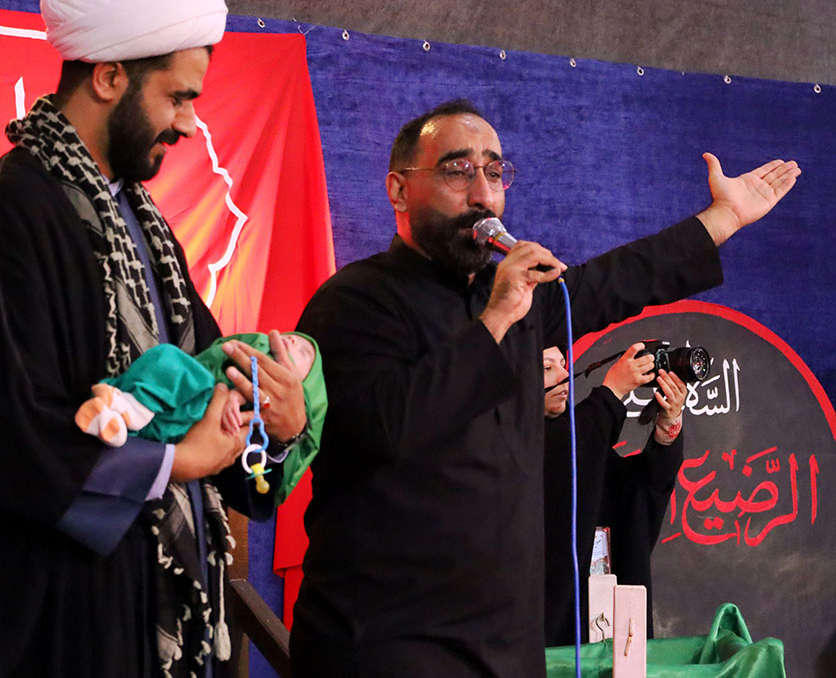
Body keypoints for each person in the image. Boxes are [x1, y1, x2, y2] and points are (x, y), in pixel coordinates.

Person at [289, 98, 799, 676]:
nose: (482, 193)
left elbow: (618, 279)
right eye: (458, 170)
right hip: (387, 643)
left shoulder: (514, 299)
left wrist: (723, 219)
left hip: (505, 642)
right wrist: (497, 319)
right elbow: (385, 429)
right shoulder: (354, 302)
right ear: (400, 190)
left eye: (494, 172)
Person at [0, 0, 308, 678]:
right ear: (108, 78)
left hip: (154, 598)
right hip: (68, 613)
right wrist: (172, 463)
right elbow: (9, 433)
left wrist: (270, 422)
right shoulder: (14, 207)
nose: (188, 123)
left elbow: (203, 378)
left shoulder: (141, 221)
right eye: (177, 97)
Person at [541, 344, 686, 647]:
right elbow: (557, 462)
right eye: (547, 368)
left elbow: (634, 493)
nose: (564, 375)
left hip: (601, 630)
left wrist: (667, 428)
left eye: (564, 364)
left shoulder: (582, 444)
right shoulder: (505, 443)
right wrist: (612, 392)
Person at [74, 332, 326, 503]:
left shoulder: (262, 417)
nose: (293, 341)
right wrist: (177, 461)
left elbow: (249, 491)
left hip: (182, 473)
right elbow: (216, 363)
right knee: (169, 363)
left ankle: (120, 417)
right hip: (108, 472)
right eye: (292, 336)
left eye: (304, 353)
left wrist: (287, 435)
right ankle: (121, 411)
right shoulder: (242, 356)